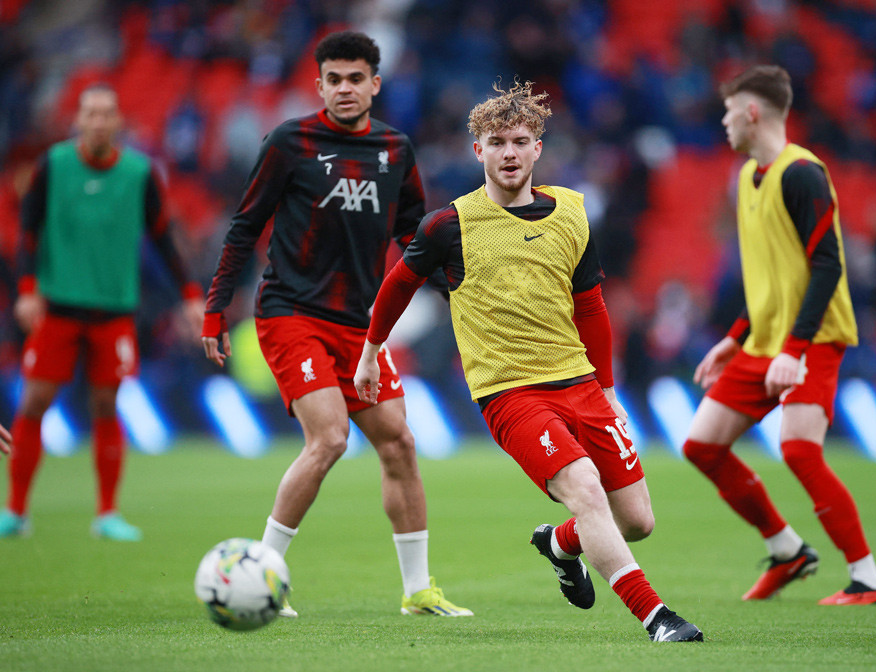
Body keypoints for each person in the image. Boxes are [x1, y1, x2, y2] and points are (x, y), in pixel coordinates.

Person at [354, 81, 703, 642]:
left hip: (581, 383)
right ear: (478, 151)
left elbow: (590, 306)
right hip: (511, 393)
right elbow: (398, 284)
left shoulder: (571, 212)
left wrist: (608, 389)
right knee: (585, 488)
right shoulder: (449, 225)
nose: (509, 152)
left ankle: (560, 544)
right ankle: (657, 618)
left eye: (520, 141)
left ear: (538, 148)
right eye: (496, 143)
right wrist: (371, 352)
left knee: (637, 521)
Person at [201, 31, 471, 619]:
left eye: (355, 78)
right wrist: (217, 307)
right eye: (334, 79)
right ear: (319, 85)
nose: (344, 88)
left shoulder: (395, 149)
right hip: (291, 313)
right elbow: (244, 227)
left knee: (399, 442)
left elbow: (412, 236)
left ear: (375, 84)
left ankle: (418, 590)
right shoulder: (289, 142)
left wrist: (460, 289)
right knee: (329, 437)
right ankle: (261, 575)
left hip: (358, 324)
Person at [682, 65, 876, 605]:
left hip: (811, 339)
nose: (724, 122)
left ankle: (868, 579)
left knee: (799, 450)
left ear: (752, 113)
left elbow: (827, 265)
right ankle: (787, 550)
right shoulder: (746, 177)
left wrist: (794, 351)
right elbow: (771, 276)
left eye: (730, 112)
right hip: (764, 341)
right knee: (701, 446)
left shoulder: (802, 174)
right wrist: (736, 336)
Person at [2, 83, 205, 541]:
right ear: (77, 120)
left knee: (106, 405)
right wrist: (28, 289)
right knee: (35, 401)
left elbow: (163, 236)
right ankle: (15, 510)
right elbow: (28, 231)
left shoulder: (138, 173)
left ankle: (107, 513)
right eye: (90, 113)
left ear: (118, 121)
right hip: (57, 307)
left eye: (106, 113)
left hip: (113, 310)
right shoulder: (52, 165)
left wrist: (191, 295)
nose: (97, 122)